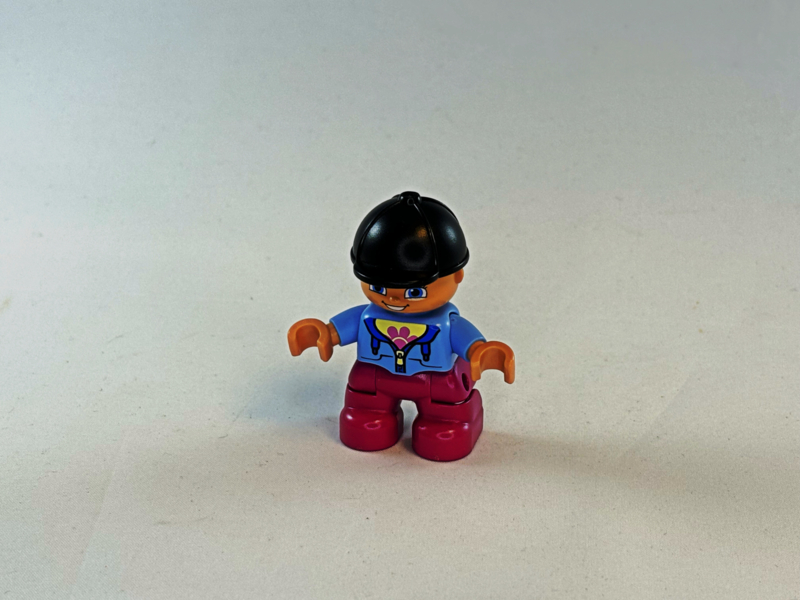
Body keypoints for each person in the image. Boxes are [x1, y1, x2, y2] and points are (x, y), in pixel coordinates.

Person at [288, 191, 514, 461]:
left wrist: (479, 351)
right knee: (364, 400)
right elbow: (343, 327)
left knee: (445, 412)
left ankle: (447, 422)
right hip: (376, 377)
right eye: (378, 287)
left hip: (436, 382)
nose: (393, 299)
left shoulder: (447, 323)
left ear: (457, 275)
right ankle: (370, 414)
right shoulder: (368, 315)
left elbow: (468, 340)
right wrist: (325, 333)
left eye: (415, 291)